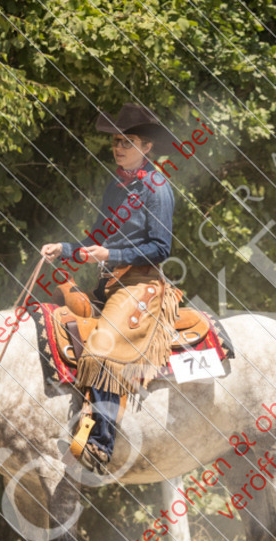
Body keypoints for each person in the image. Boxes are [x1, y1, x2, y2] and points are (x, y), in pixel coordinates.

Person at [41, 103, 179, 471]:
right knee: (52, 315)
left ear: (147, 147)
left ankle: (102, 443)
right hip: (108, 280)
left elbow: (161, 248)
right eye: (117, 141)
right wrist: (68, 249)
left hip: (141, 283)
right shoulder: (115, 185)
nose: (119, 147)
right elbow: (98, 238)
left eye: (128, 141)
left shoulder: (158, 187)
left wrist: (111, 252)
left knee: (103, 347)